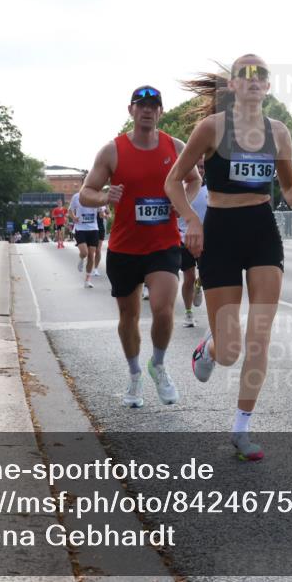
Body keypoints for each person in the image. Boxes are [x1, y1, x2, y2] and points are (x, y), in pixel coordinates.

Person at [166, 55, 292, 461]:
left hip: (262, 231)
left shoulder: (279, 132)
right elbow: (173, 180)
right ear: (232, 85)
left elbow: (288, 187)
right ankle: (210, 348)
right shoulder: (212, 128)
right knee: (231, 349)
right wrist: (191, 220)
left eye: (261, 75)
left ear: (267, 86)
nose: (253, 80)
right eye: (244, 75)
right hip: (220, 232)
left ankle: (242, 428)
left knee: (260, 335)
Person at [80, 85, 201, 409]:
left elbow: (194, 178)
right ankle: (134, 375)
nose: (147, 110)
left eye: (154, 105)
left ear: (160, 112)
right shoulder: (112, 151)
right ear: (131, 110)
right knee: (128, 317)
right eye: (141, 105)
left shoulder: (174, 147)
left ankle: (158, 365)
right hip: (124, 248)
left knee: (163, 309)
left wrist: (180, 202)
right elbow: (85, 193)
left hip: (162, 244)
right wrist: (106, 196)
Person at [178, 158, 208, 327]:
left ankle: (200, 284)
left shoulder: (209, 190)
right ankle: (188, 313)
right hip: (184, 239)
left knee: (205, 275)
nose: (200, 170)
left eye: (202, 167)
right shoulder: (181, 189)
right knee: (188, 277)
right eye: (196, 167)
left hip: (206, 240)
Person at [69, 182, 101, 287]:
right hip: (80, 228)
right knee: (84, 253)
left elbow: (102, 211)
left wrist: (103, 214)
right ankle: (81, 258)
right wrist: (74, 217)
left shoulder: (96, 197)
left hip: (93, 229)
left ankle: (87, 280)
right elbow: (70, 210)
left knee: (91, 255)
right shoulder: (76, 197)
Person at [93, 205, 108, 276]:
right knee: (91, 250)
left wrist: (106, 214)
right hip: (91, 228)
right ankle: (89, 263)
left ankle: (95, 269)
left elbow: (108, 215)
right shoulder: (91, 203)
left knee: (98, 250)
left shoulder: (104, 205)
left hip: (100, 228)